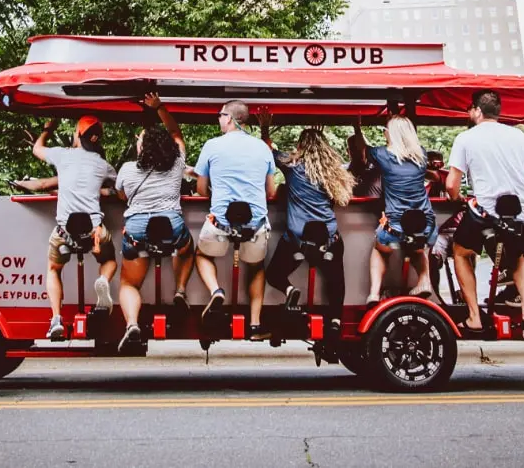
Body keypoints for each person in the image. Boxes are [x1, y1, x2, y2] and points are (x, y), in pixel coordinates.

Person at [445, 90, 524, 342]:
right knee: (518, 255)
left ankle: (474, 317)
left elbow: (451, 185)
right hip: (522, 211)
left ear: (477, 111)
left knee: (461, 251)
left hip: (487, 213)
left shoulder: (466, 138)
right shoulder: (518, 135)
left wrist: (457, 199)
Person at [258, 112, 355, 336]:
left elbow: (268, 151)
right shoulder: (333, 173)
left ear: (301, 146)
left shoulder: (292, 167)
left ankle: (290, 289)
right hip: (329, 238)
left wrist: (265, 128)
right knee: (336, 281)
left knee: (273, 274)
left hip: (297, 239)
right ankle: (336, 321)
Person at [22, 117, 118, 340]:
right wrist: (100, 192)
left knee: (54, 269)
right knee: (109, 260)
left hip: (64, 233)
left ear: (77, 135)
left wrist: (48, 128)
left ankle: (56, 318)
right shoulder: (103, 165)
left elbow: (37, 149)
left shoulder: (62, 155)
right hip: (95, 232)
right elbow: (118, 188)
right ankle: (103, 281)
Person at [115, 93, 195, 352]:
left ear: (143, 148)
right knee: (186, 247)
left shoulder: (127, 169)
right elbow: (176, 132)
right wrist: (159, 107)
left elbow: (122, 196)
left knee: (128, 283)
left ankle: (132, 325)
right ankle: (180, 291)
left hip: (137, 231)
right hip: (170, 227)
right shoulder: (177, 163)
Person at [193, 100, 277, 341]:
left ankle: (216, 291)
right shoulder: (263, 148)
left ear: (229, 118)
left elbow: (200, 191)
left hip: (220, 225)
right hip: (255, 228)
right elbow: (270, 192)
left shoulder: (212, 145)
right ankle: (254, 324)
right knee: (256, 266)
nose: (218, 119)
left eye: (220, 115)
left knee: (202, 254)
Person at [352, 117, 436, 304]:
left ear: (392, 133)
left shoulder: (383, 154)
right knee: (417, 247)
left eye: (386, 130)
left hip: (395, 228)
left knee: (380, 249)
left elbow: (362, 150)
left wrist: (357, 128)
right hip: (425, 225)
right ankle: (424, 280)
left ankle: (374, 292)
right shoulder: (421, 154)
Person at [347, 130, 383, 198]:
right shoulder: (343, 173)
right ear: (348, 151)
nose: (357, 152)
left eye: (360, 149)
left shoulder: (378, 173)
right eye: (353, 149)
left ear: (366, 149)